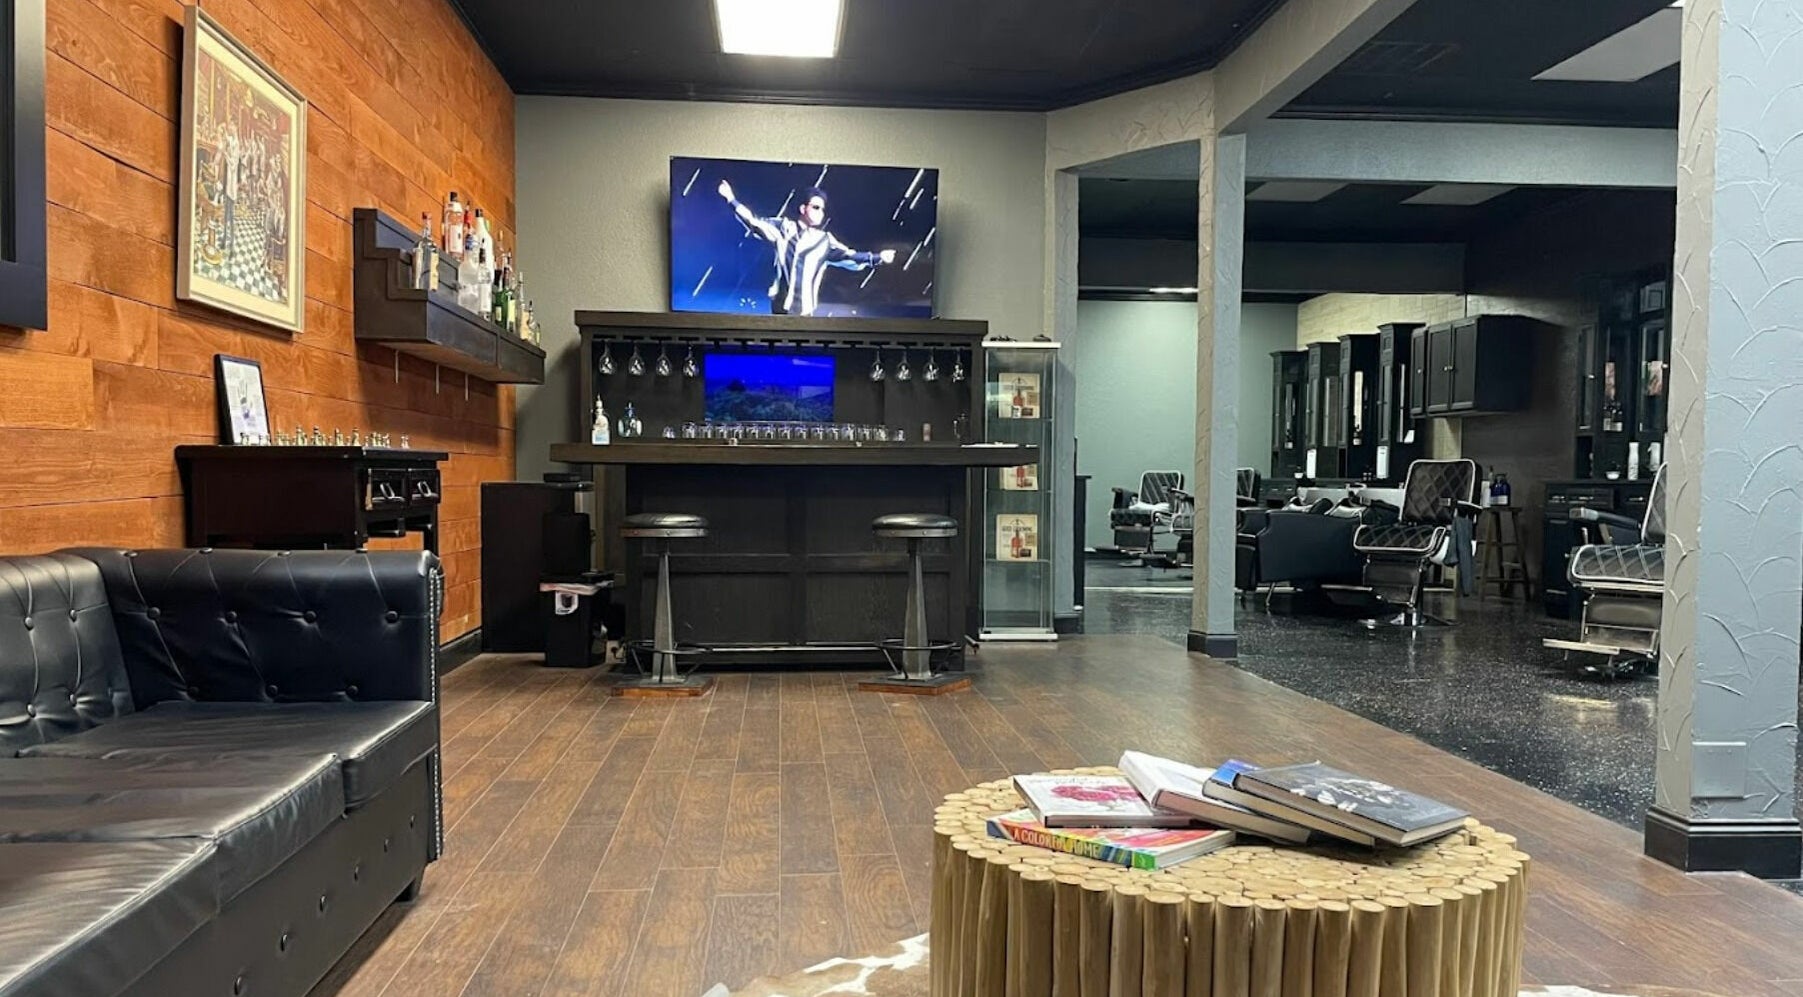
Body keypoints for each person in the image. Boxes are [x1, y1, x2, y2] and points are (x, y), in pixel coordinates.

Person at [718, 180, 896, 316]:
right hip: (779, 311)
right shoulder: (783, 228)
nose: (820, 212)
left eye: (822, 209)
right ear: (803, 208)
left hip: (805, 314)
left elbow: (851, 257)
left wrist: (878, 257)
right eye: (816, 207)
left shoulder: (824, 241)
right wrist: (731, 199)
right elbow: (753, 222)